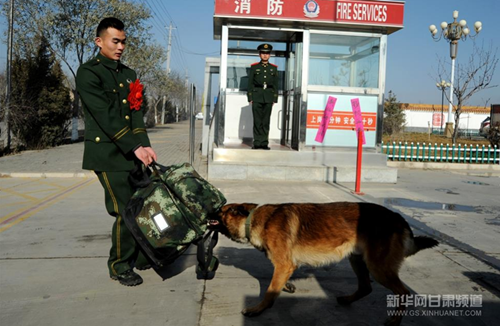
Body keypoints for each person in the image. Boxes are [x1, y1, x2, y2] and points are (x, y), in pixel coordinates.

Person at [76, 17, 156, 286]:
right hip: (107, 155)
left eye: (123, 41)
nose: (120, 46)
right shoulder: (89, 73)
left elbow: (136, 114)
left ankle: (143, 256)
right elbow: (104, 115)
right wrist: (134, 146)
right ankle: (120, 265)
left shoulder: (129, 75)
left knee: (143, 205)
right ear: (99, 42)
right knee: (125, 210)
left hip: (132, 152)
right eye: (115, 41)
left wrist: (144, 144)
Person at [247, 43, 279, 150]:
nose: (265, 55)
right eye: (263, 53)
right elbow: (250, 83)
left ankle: (264, 142)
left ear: (269, 55)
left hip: (268, 97)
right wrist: (250, 97)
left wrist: (274, 98)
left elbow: (275, 84)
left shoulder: (273, 68)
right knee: (257, 121)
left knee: (266, 121)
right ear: (259, 54)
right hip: (256, 96)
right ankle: (257, 142)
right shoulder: (254, 67)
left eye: (267, 53)